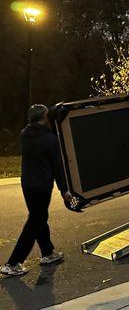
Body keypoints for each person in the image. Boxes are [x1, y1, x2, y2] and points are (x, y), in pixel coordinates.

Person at [1, 105, 72, 276]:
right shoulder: (50, 139)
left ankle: (48, 253)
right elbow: (58, 168)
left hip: (27, 184)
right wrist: (64, 190)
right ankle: (13, 263)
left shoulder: (24, 134)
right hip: (42, 186)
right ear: (45, 117)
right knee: (35, 221)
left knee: (39, 217)